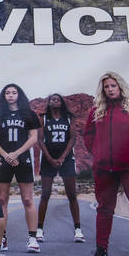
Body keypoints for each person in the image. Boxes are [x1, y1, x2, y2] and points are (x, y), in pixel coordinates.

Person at [81, 71, 129, 256]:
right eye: (106, 87)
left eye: (113, 85)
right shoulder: (96, 111)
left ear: (120, 86)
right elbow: (88, 135)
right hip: (104, 169)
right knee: (104, 209)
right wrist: (98, 153)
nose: (110, 89)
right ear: (102, 90)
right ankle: (101, 252)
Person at [0, 83, 41, 254]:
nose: (10, 95)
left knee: (27, 199)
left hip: (23, 158)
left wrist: (16, 153)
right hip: (3, 160)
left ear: (19, 95)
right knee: (2, 199)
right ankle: (2, 237)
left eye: (14, 92)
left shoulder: (29, 114)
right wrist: (6, 155)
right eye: (7, 92)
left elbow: (34, 138)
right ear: (3, 96)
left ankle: (32, 238)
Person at [36, 93, 84, 244]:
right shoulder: (43, 117)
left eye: (57, 99)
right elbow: (40, 139)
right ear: (49, 102)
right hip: (48, 157)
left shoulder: (68, 117)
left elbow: (73, 138)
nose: (55, 101)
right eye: (52, 99)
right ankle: (39, 230)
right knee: (45, 194)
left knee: (71, 194)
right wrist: (49, 158)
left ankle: (78, 230)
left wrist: (63, 157)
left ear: (61, 102)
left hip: (67, 157)